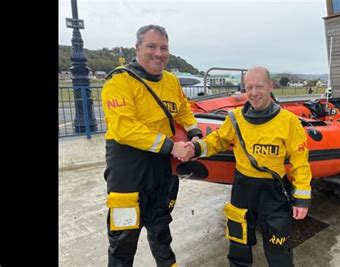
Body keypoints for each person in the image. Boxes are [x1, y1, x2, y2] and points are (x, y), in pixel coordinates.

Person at [189, 66, 312, 266]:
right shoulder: (235, 119)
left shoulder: (289, 122)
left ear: (270, 86)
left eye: (259, 87)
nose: (253, 93)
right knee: (239, 245)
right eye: (249, 88)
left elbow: (300, 163)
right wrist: (194, 148)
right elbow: (217, 141)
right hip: (243, 190)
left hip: (273, 193)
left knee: (279, 248)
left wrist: (302, 200)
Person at [101, 24, 201, 267]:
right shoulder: (119, 81)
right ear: (137, 48)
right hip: (129, 169)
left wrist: (194, 133)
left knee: (161, 228)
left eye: (164, 48)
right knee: (123, 239)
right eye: (152, 46)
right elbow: (125, 128)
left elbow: (184, 111)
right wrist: (172, 147)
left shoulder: (171, 81)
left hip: (160, 167)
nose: (159, 53)